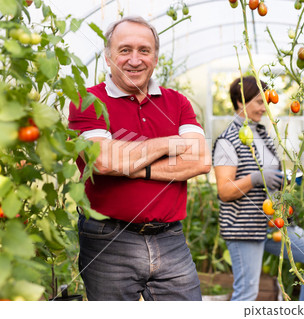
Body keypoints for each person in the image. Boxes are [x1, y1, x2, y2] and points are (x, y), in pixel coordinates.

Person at [68, 16, 211, 301]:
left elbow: (200, 160)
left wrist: (132, 165)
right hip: (109, 240)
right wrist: (171, 143)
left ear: (155, 58)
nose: (135, 60)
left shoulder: (177, 102)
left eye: (144, 51)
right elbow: (104, 161)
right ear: (108, 58)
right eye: (125, 50)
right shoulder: (87, 101)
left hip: (170, 239)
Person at [212, 76, 304, 301]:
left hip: (272, 222)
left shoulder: (261, 134)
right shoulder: (228, 140)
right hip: (244, 227)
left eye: (266, 102)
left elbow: (268, 176)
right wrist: (257, 178)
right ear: (240, 102)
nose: (265, 108)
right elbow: (225, 191)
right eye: (259, 102)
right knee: (246, 294)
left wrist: (284, 179)